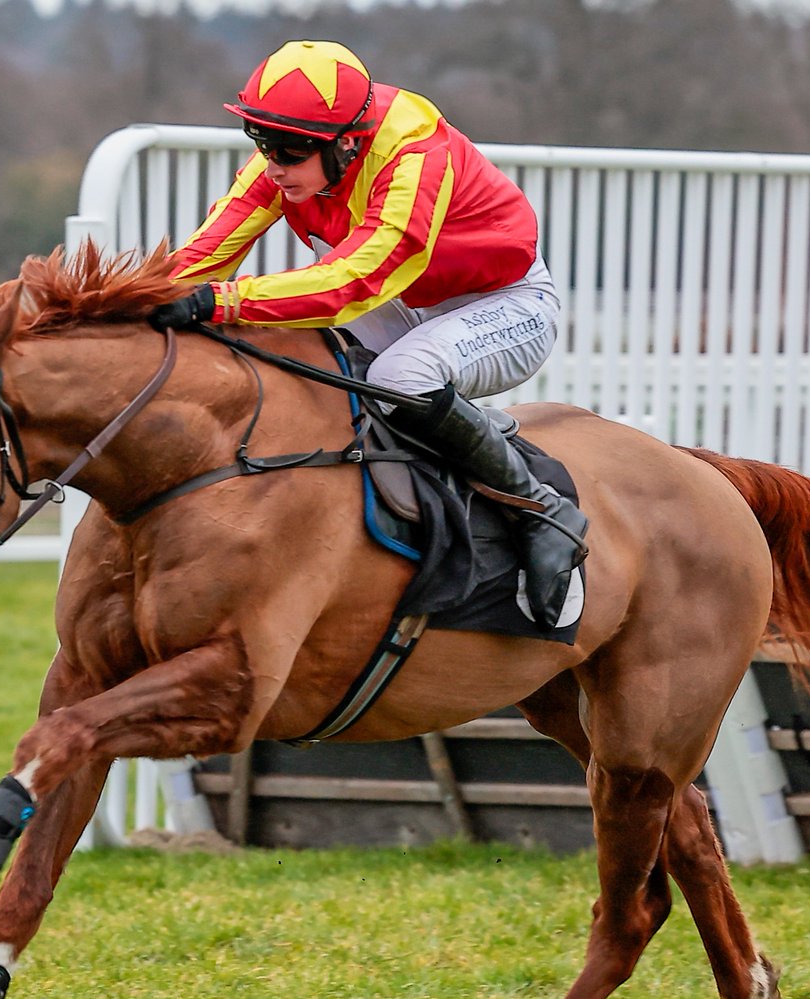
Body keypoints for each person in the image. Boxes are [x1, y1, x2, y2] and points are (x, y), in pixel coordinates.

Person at [150, 40, 587, 629]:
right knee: (303, 355)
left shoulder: (416, 154)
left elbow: (357, 280)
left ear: (348, 143)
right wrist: (135, 302)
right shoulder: (292, 155)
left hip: (505, 305)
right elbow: (204, 255)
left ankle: (540, 509)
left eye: (290, 151)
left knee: (398, 378)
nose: (273, 165)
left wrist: (223, 301)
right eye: (261, 142)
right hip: (399, 298)